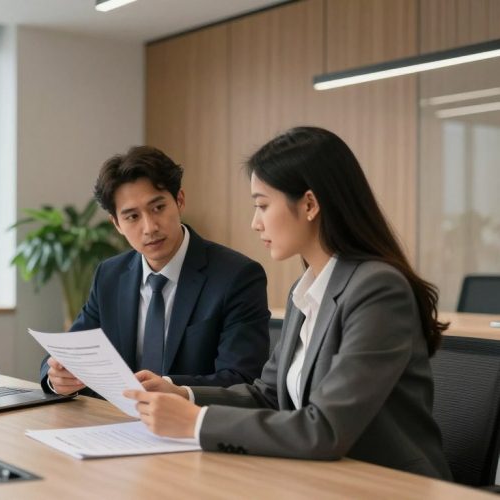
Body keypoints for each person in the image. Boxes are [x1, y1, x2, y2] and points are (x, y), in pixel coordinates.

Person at [123, 127, 452, 479]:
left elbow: (324, 429)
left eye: (262, 205)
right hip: (322, 479)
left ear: (309, 204)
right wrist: (184, 396)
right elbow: (268, 396)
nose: (255, 222)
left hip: (390, 485)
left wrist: (197, 422)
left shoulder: (378, 290)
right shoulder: (306, 290)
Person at [40, 145, 270, 397]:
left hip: (193, 427)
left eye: (158, 208)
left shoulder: (237, 276)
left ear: (179, 200)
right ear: (116, 223)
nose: (149, 227)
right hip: (115, 425)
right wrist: (57, 377)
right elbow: (67, 355)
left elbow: (243, 379)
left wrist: (173, 388)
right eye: (132, 217)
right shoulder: (110, 276)